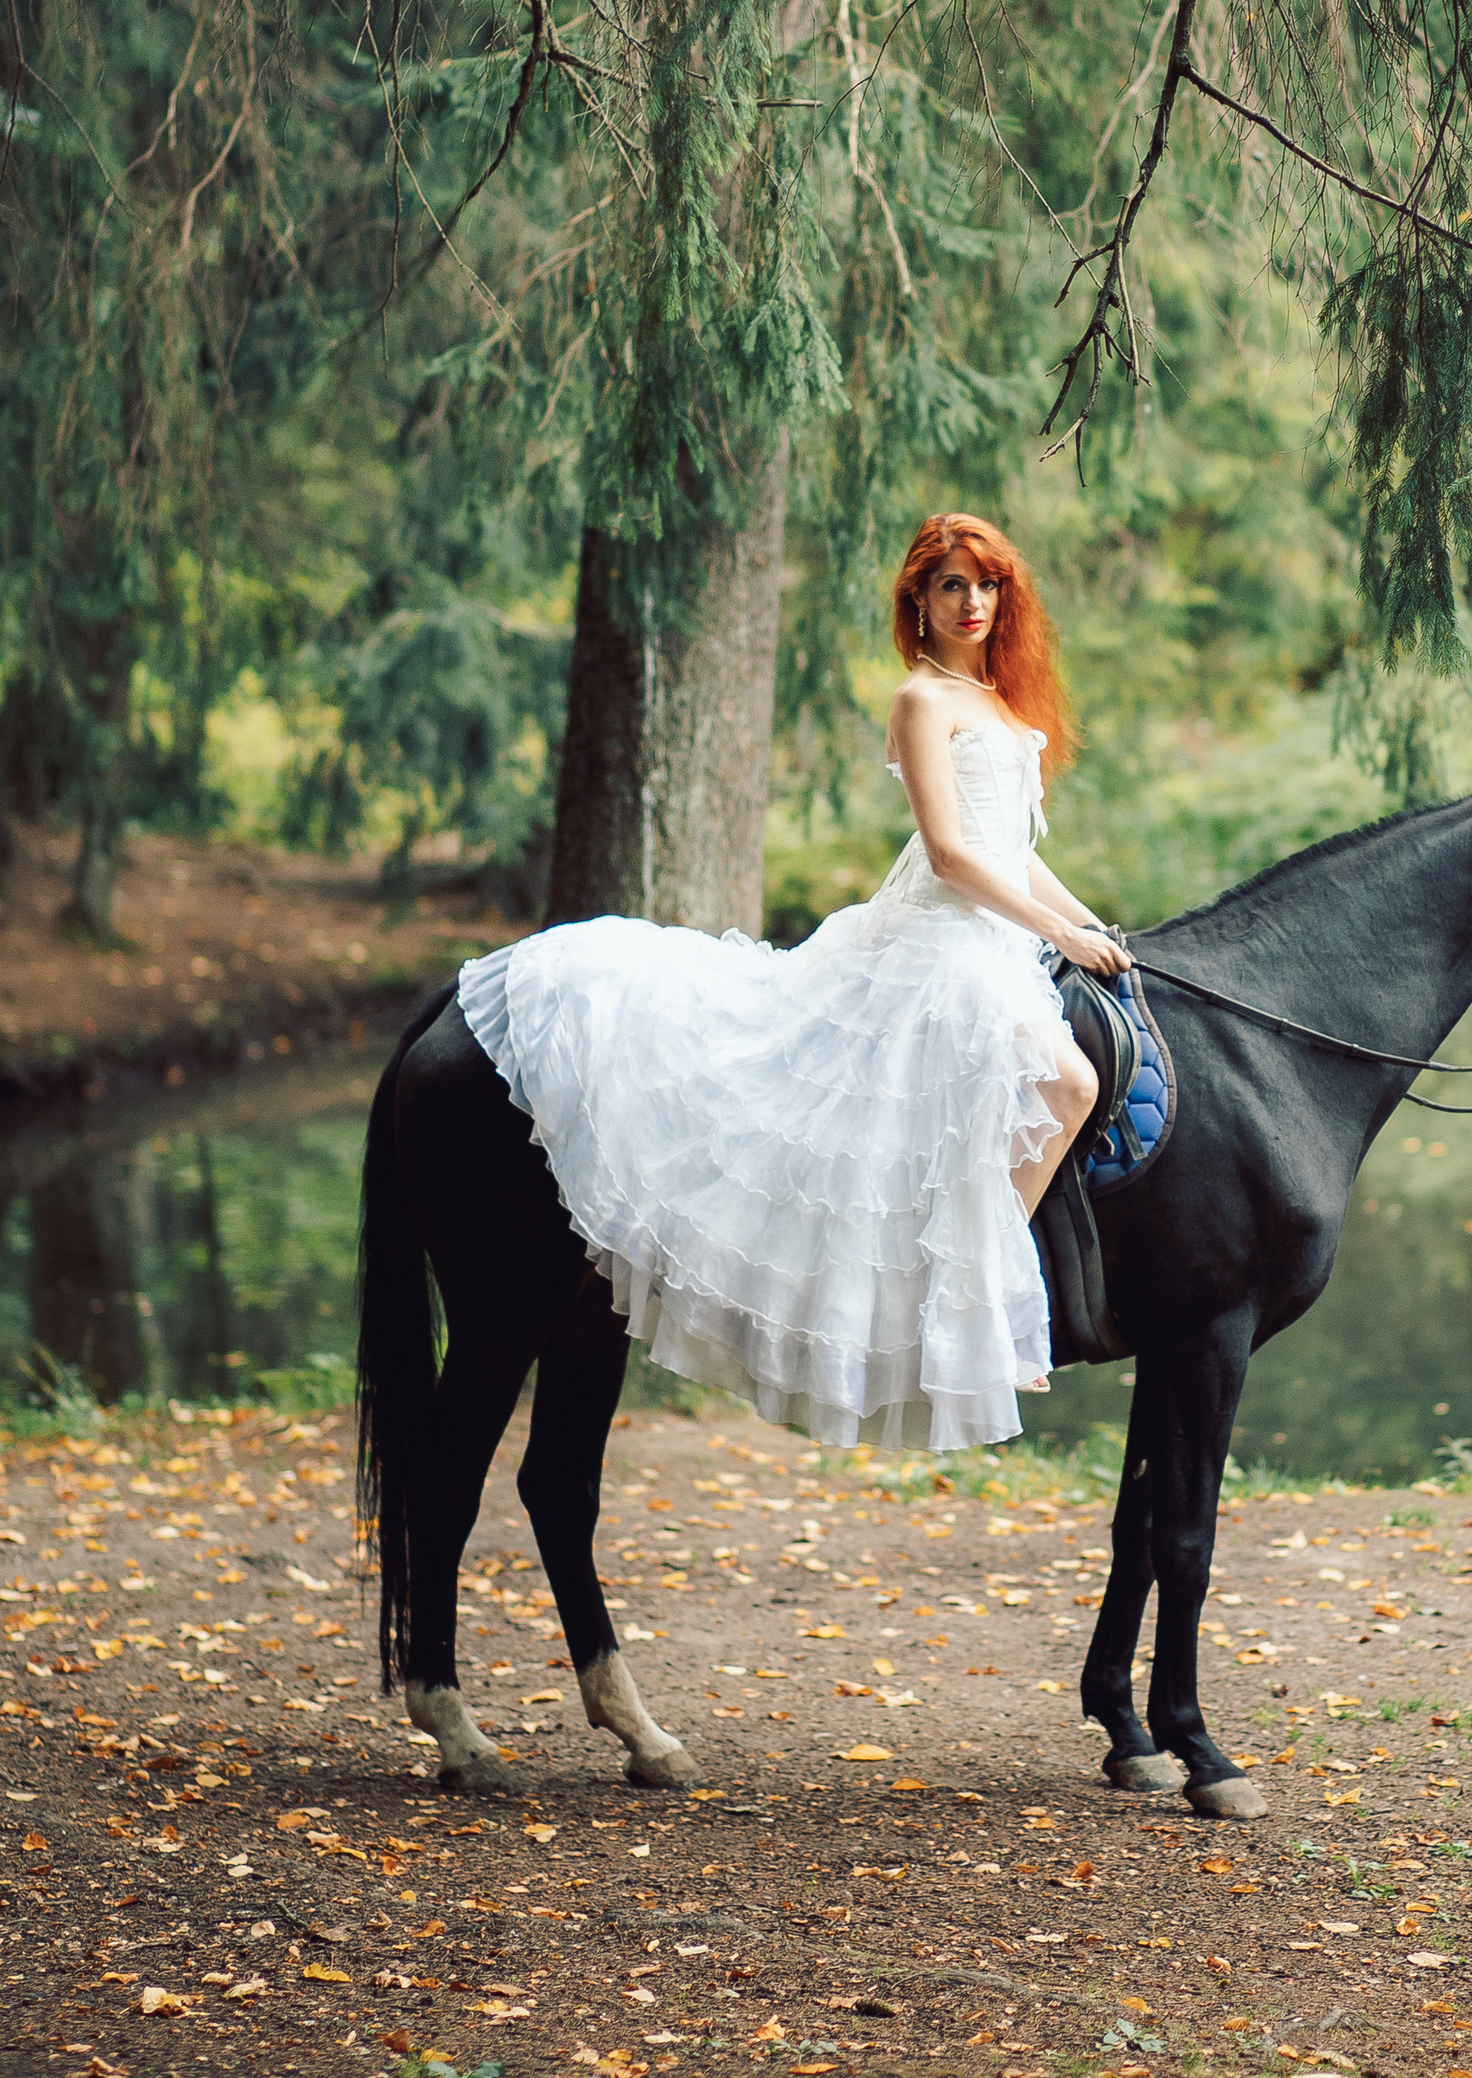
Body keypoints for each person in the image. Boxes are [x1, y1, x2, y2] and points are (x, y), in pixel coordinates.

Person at [454, 512, 1128, 1451]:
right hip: (943, 934)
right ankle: (959, 1302)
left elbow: (1013, 852)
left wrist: (1091, 925)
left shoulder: (1007, 709)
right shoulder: (922, 702)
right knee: (1068, 1080)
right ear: (919, 604)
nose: (973, 603)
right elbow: (948, 855)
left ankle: (973, 1293)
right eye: (952, 587)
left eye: (988, 586)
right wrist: (1056, 931)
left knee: (1060, 1083)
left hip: (993, 935)